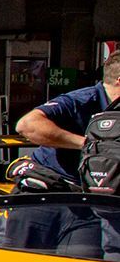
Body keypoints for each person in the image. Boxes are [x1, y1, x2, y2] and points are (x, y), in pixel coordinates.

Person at [16, 52, 120, 181]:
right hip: (53, 183)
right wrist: (87, 144)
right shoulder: (81, 100)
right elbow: (27, 125)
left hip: (99, 186)